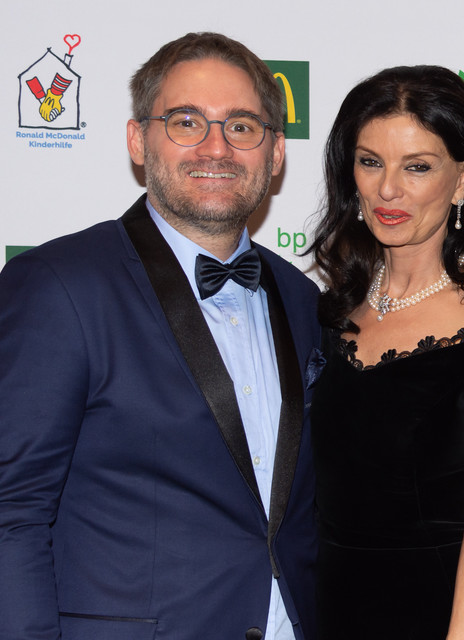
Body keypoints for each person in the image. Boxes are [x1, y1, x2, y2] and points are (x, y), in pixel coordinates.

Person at [0, 32, 321, 640]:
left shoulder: (302, 300)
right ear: (137, 140)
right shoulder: (58, 287)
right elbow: (12, 511)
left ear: (276, 152)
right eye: (186, 122)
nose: (216, 147)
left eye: (242, 126)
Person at [307, 64, 464, 639]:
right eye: (371, 162)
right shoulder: (335, 305)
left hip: (450, 606)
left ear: (462, 179)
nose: (388, 189)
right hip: (337, 603)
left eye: (417, 166)